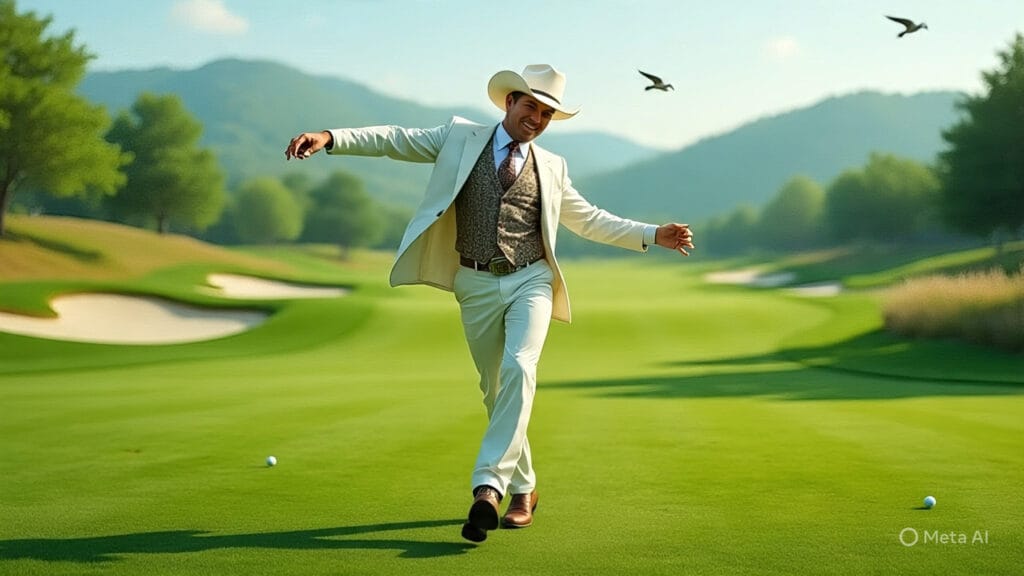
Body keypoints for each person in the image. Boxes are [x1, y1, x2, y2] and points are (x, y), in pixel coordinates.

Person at [284, 64, 694, 543]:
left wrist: (651, 234)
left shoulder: (553, 167)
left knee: (522, 366)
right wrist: (331, 137)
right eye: (531, 107)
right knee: (495, 389)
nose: (537, 119)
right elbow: (396, 138)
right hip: (474, 283)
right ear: (509, 103)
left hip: (531, 279)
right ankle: (527, 489)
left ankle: (489, 488)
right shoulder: (458, 138)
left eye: (546, 113)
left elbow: (589, 220)